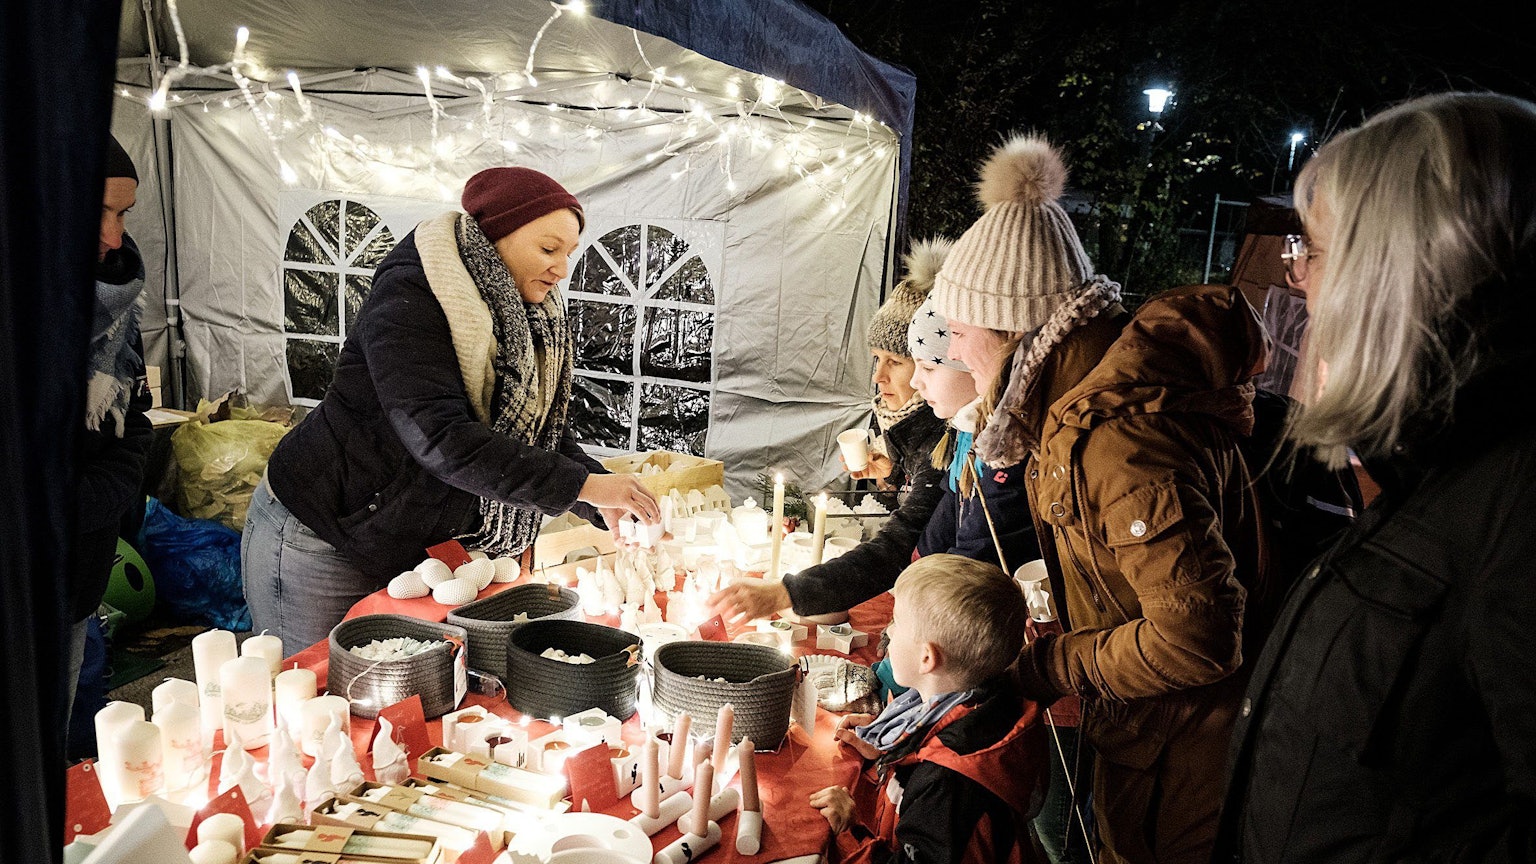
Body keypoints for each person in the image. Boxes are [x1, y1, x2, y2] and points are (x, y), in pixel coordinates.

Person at [932, 134, 1272, 864]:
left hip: (1185, 764)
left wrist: (1055, 665)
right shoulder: (1076, 415)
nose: (956, 353)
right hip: (1155, 742)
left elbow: (1195, 637)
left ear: (1012, 329)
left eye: (960, 333)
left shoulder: (1117, 434)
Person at [1216, 92, 1536, 864]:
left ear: (1397, 271)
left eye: (1313, 253)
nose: (1299, 285)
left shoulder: (1511, 505)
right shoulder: (1429, 473)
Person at [243, 167, 659, 652]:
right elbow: (439, 438)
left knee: (384, 687)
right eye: (548, 249)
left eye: (568, 253)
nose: (562, 269)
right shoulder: (411, 298)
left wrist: (592, 495)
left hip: (406, 532)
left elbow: (542, 432)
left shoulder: (529, 316)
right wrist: (580, 485)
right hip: (322, 530)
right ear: (494, 236)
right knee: (311, 691)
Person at [710, 241, 950, 621]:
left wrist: (785, 593)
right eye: (877, 359)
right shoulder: (910, 423)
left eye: (897, 362)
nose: (878, 377)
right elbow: (924, 493)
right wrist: (892, 474)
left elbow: (902, 542)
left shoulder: (945, 436)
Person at [811, 554, 1047, 864]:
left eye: (897, 623)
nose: (889, 632)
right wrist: (893, 746)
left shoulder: (947, 784)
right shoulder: (980, 702)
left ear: (927, 659)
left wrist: (850, 830)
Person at [67, 135, 153, 729]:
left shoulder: (117, 314)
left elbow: (137, 423)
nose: (114, 238)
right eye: (98, 210)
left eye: (121, 214)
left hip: (76, 575)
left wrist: (88, 503)